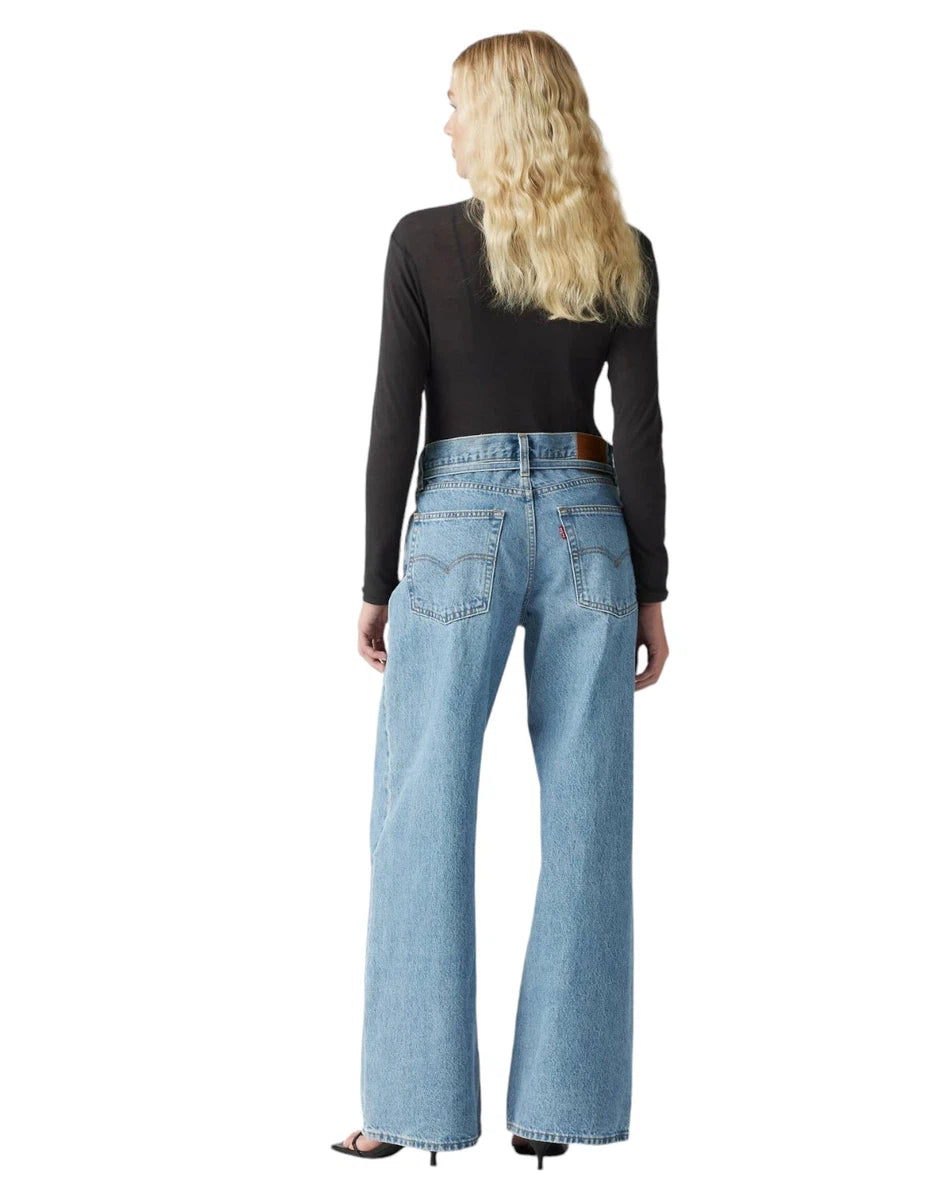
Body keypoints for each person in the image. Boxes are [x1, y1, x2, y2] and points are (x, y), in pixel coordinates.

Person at [332, 30, 670, 1170]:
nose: (446, 125)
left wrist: (376, 579)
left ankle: (408, 1108)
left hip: (458, 529)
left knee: (420, 810)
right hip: (587, 523)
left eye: (457, 104)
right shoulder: (621, 251)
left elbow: (396, 420)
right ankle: (556, 1109)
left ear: (502, 114)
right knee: (588, 815)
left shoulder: (421, 244)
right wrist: (650, 586)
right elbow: (641, 432)